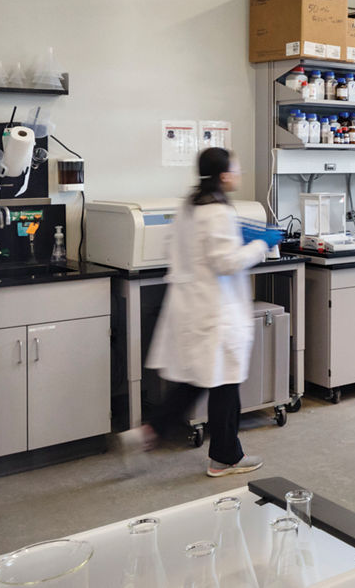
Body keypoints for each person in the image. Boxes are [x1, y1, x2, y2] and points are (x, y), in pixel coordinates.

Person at [119, 148, 283, 477]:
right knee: (224, 384)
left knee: (197, 381)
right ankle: (225, 456)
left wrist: (240, 237)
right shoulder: (217, 211)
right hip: (215, 312)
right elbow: (226, 262)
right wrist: (262, 244)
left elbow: (191, 249)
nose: (239, 173)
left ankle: (146, 433)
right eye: (235, 169)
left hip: (193, 308)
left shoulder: (190, 206)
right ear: (224, 175)